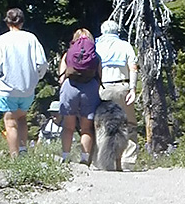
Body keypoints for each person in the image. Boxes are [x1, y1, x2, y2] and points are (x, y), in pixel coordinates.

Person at [0, 7, 47, 158]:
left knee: (10, 122)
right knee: (22, 118)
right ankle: (23, 150)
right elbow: (42, 62)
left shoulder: (2, 40)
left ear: (7, 22)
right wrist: (37, 77)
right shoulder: (31, 38)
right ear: (22, 22)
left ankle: (14, 156)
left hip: (7, 88)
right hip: (27, 88)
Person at [95, 19, 139, 170]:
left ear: (102, 31)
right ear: (117, 31)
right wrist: (132, 89)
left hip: (103, 89)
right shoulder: (125, 45)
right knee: (128, 124)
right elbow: (133, 68)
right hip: (122, 87)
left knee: (103, 125)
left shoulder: (97, 46)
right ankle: (128, 159)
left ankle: (102, 160)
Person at [58, 28, 102, 164]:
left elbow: (61, 78)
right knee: (86, 128)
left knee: (68, 126)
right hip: (90, 89)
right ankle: (84, 158)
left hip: (70, 87)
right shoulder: (95, 56)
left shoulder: (68, 54)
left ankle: (65, 157)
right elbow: (100, 76)